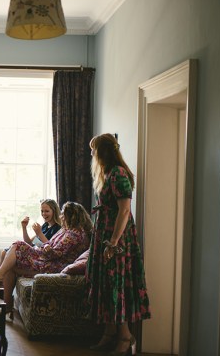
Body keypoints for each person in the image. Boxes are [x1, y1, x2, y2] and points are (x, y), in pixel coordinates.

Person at [84, 133, 151, 356]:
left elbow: (124, 210)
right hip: (104, 236)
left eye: (94, 149)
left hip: (117, 240)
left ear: (102, 151)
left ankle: (125, 336)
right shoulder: (108, 173)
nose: (91, 153)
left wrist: (112, 242)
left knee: (116, 285)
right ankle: (110, 332)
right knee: (105, 284)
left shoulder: (119, 174)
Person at [0, 201, 92, 319]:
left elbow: (54, 253)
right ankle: (3, 292)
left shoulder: (75, 234)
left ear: (72, 216)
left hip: (53, 264)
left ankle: (1, 285)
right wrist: (42, 243)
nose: (61, 216)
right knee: (15, 248)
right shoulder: (66, 230)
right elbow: (43, 244)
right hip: (47, 258)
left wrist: (44, 246)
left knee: (15, 253)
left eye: (63, 214)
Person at [0, 199, 62, 265]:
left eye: (47, 211)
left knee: (14, 247)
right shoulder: (45, 226)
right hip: (34, 250)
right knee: (5, 252)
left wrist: (39, 233)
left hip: (40, 256)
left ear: (54, 211)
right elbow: (29, 242)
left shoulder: (58, 228)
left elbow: (50, 248)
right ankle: (1, 275)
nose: (43, 214)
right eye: (42, 211)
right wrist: (24, 227)